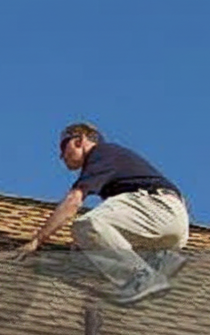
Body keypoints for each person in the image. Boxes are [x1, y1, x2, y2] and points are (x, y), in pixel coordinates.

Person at [13, 123, 190, 304]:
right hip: (174, 223)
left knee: (86, 225)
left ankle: (142, 277)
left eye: (63, 148)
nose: (61, 156)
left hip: (156, 209)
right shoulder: (114, 162)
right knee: (95, 245)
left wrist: (37, 240)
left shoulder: (101, 153)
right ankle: (158, 260)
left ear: (79, 140)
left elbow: (73, 201)